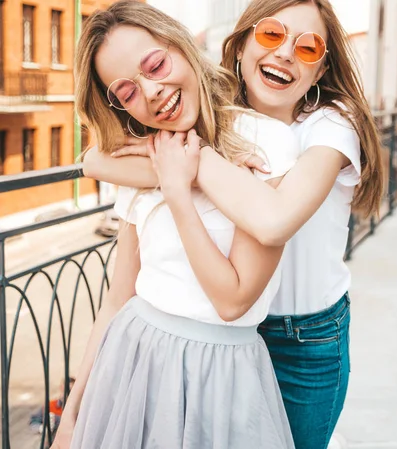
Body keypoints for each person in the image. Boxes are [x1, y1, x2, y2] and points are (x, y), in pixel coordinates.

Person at [83, 0, 385, 447]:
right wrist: (182, 162)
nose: (285, 53)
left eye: (307, 48)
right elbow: (95, 158)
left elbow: (274, 221)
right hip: (242, 338)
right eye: (270, 35)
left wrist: (193, 163)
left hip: (306, 339)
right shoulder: (218, 119)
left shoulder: (332, 125)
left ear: (320, 71)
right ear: (240, 46)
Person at [51, 2, 299, 448]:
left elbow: (234, 302)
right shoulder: (144, 155)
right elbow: (116, 301)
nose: (151, 92)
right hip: (131, 364)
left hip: (221, 377)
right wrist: (72, 414)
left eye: (156, 65)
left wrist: (182, 187)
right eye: (126, 92)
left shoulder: (266, 141)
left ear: (181, 46)